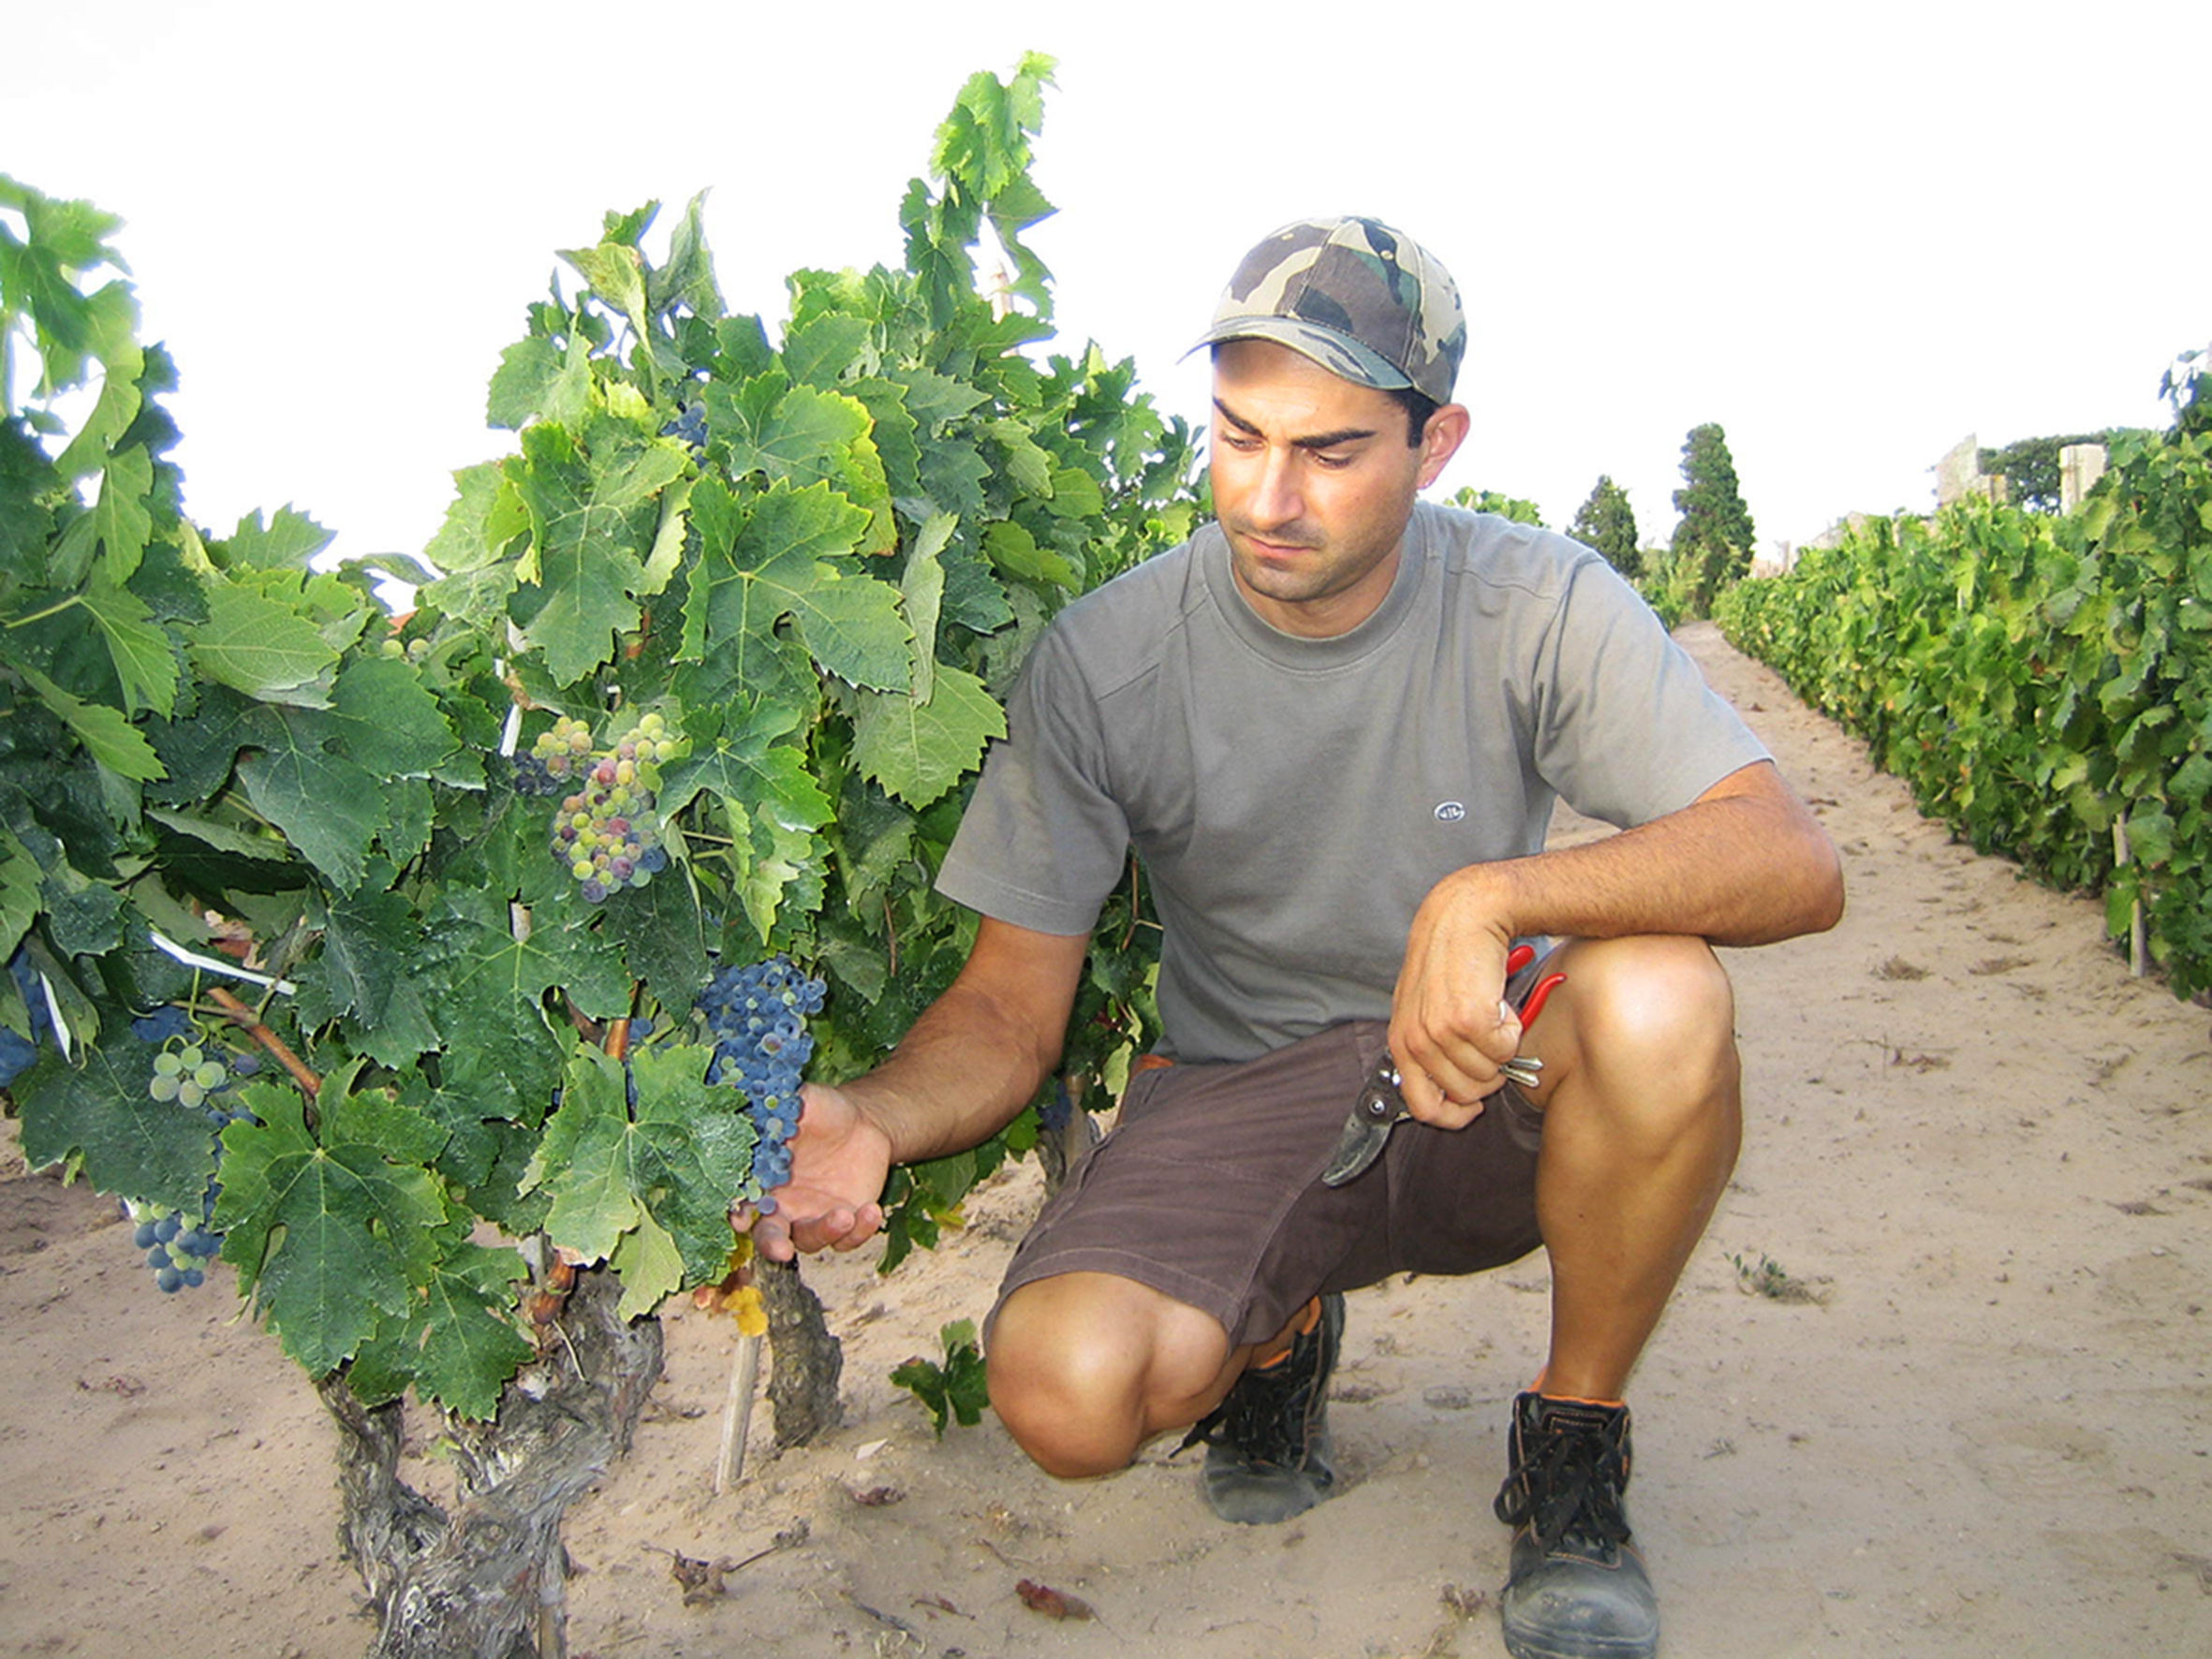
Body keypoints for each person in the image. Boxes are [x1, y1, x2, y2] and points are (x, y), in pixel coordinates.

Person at [740, 216, 1844, 1659]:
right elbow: (1010, 1009)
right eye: (1236, 436)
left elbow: (1788, 857)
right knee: (1067, 1399)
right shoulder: (1108, 662)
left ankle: (1573, 1441)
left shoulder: (1534, 601)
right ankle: (1278, 1336)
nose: (1267, 497)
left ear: (1434, 445)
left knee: (1661, 994)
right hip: (1239, 1094)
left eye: (1327, 453)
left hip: (1479, 1078)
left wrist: (1488, 899)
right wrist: (877, 1118)